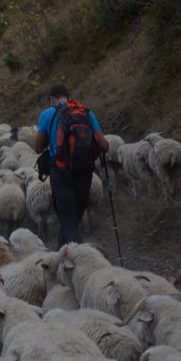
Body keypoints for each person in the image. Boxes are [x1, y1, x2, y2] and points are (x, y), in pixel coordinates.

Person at [34, 84, 110, 247]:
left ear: (52, 99)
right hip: (84, 173)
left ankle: (80, 261)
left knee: (69, 223)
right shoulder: (86, 112)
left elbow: (38, 148)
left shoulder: (47, 114)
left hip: (61, 174)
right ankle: (60, 260)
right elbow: (104, 146)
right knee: (72, 221)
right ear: (67, 97)